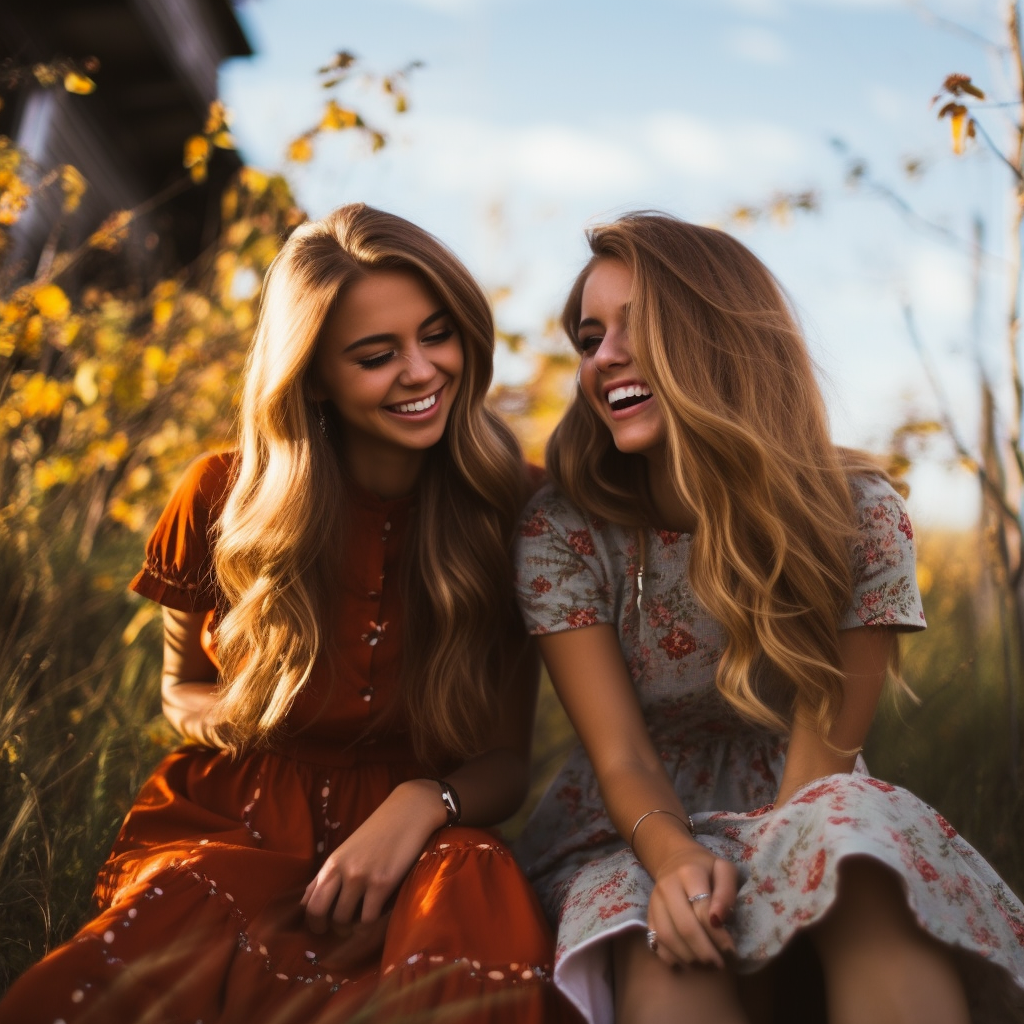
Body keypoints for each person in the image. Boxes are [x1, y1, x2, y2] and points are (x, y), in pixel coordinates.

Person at [0, 204, 578, 1024]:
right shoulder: (220, 495)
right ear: (311, 374)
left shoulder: (515, 507)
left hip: (431, 838)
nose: (420, 371)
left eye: (437, 335)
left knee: (469, 912)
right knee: (118, 979)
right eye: (377, 356)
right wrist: (257, 713)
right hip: (237, 818)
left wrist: (421, 803)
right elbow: (180, 694)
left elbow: (504, 764)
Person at [513, 212, 1024, 1024]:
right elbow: (620, 759)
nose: (604, 356)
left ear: (720, 337)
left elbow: (822, 760)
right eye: (589, 338)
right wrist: (679, 860)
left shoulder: (859, 513)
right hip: (639, 821)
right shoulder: (564, 531)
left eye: (639, 327)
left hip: (810, 798)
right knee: (663, 946)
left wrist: (778, 895)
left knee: (855, 862)